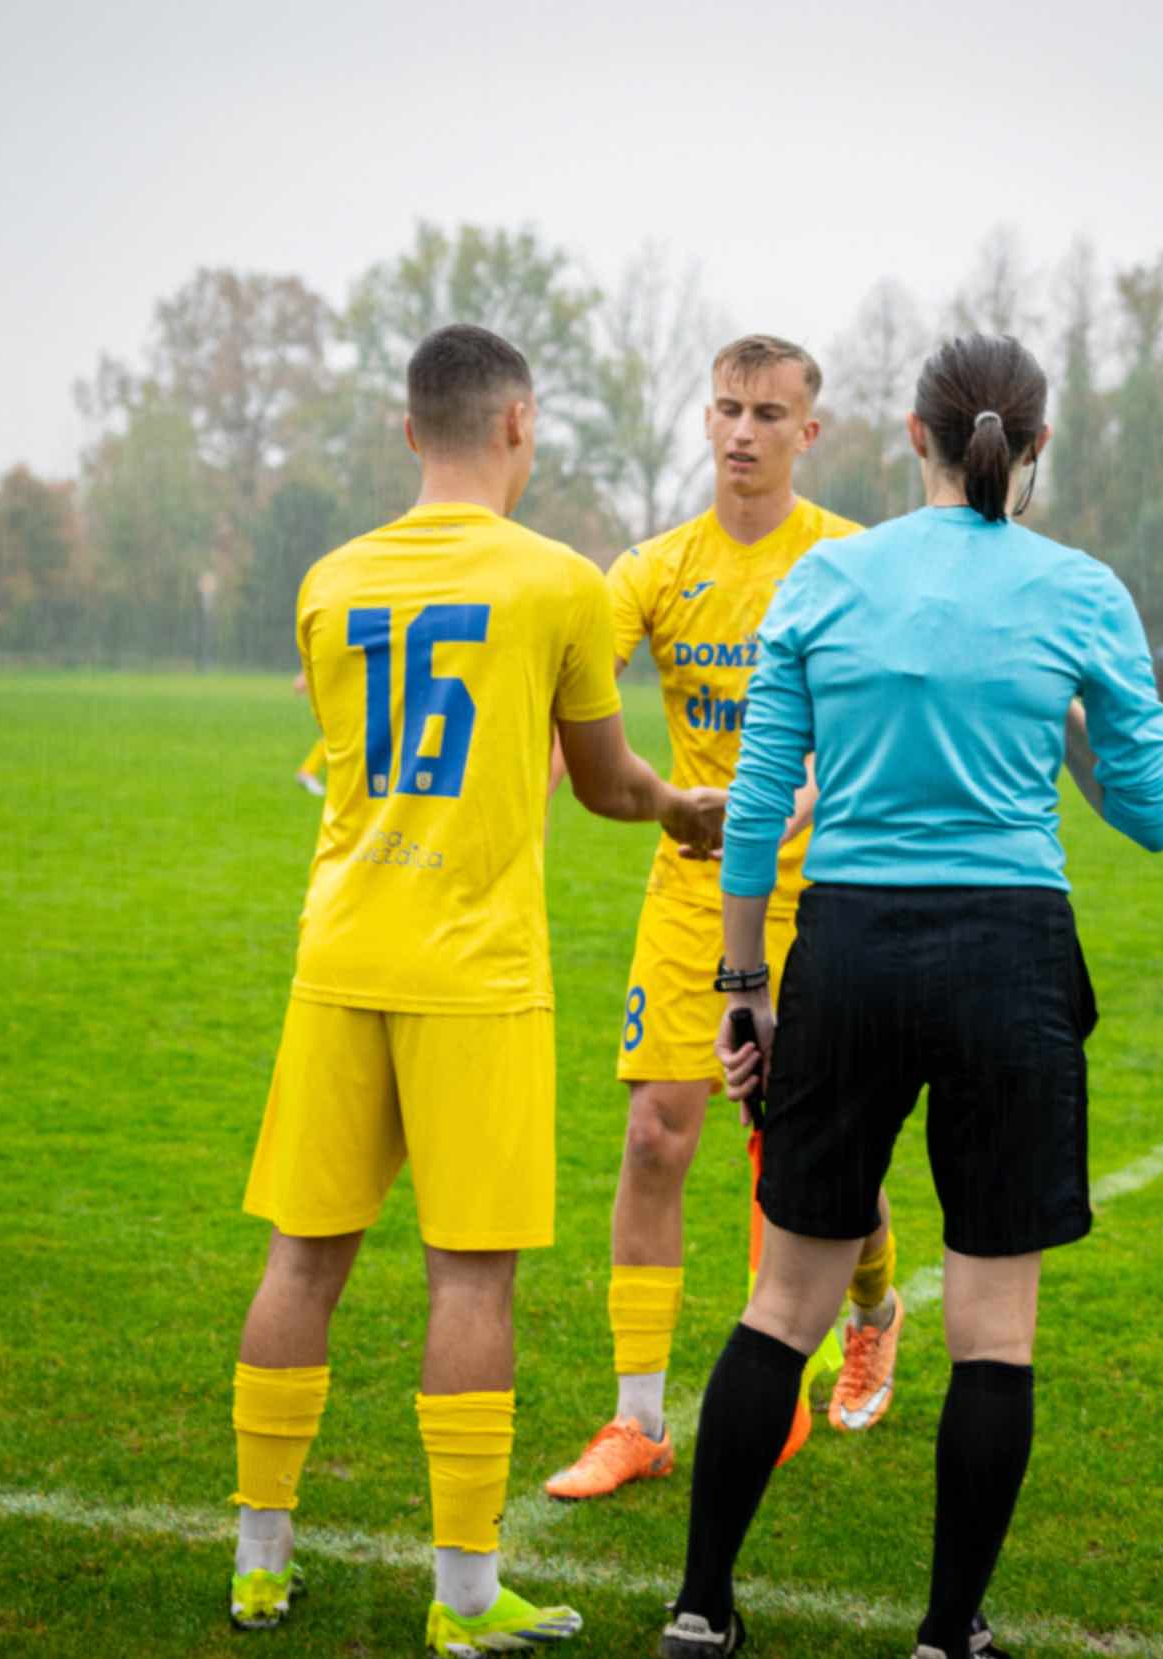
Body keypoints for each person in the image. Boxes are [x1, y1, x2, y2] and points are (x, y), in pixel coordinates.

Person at [657, 335, 1163, 1659]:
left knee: (782, 1304)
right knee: (992, 1332)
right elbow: (1153, 814)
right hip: (1010, 957)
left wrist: (741, 983)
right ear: (1036, 445)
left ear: (911, 435)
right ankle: (948, 1634)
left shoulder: (826, 577)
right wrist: (1054, 710)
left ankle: (699, 1609)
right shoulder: (1080, 589)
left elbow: (756, 805)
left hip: (846, 948)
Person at [221, 323, 726, 1654]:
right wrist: (682, 809)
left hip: (339, 956)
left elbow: (349, 752)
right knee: (469, 1283)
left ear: (409, 429)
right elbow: (607, 782)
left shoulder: (330, 579)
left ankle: (259, 1560)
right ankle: (461, 1596)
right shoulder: (557, 583)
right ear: (519, 423)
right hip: (475, 972)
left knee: (300, 1258)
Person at [545, 336, 903, 1504]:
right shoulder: (651, 569)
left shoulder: (850, 562)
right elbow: (571, 703)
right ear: (704, 421)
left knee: (815, 1150)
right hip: (694, 887)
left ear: (809, 432)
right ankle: (637, 1420)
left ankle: (871, 1312)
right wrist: (521, 805)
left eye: (768, 413)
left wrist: (797, 801)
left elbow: (884, 720)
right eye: (726, 409)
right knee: (656, 1136)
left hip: (828, 889)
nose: (742, 431)